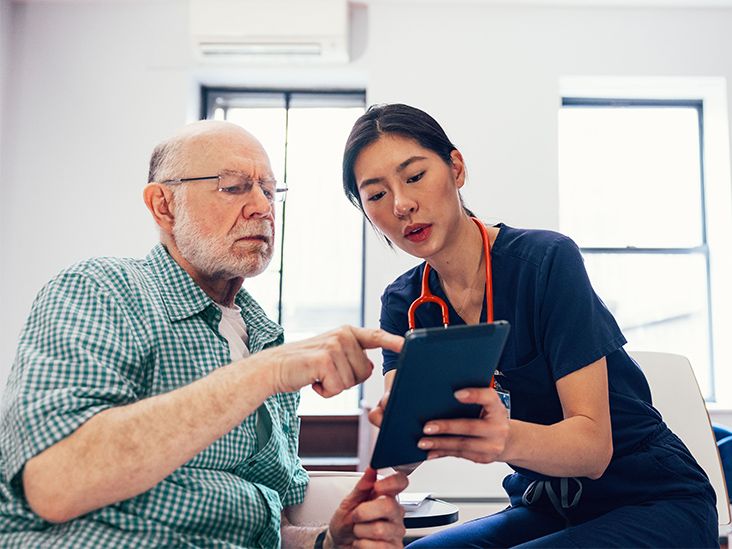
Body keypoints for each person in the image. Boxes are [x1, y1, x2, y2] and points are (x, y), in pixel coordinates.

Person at [0, 120, 409, 548]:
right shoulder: (101, 290)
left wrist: (328, 540)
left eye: (269, 191)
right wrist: (264, 373)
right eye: (233, 187)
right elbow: (55, 484)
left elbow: (263, 527)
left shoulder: (267, 339)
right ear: (163, 205)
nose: (262, 208)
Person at [341, 103, 718, 548]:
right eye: (377, 195)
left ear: (456, 168)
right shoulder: (405, 303)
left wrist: (501, 439)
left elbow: (593, 451)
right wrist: (398, 430)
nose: (402, 204)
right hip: (545, 506)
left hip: (651, 499)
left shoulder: (546, 261)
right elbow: (405, 451)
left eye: (414, 176)